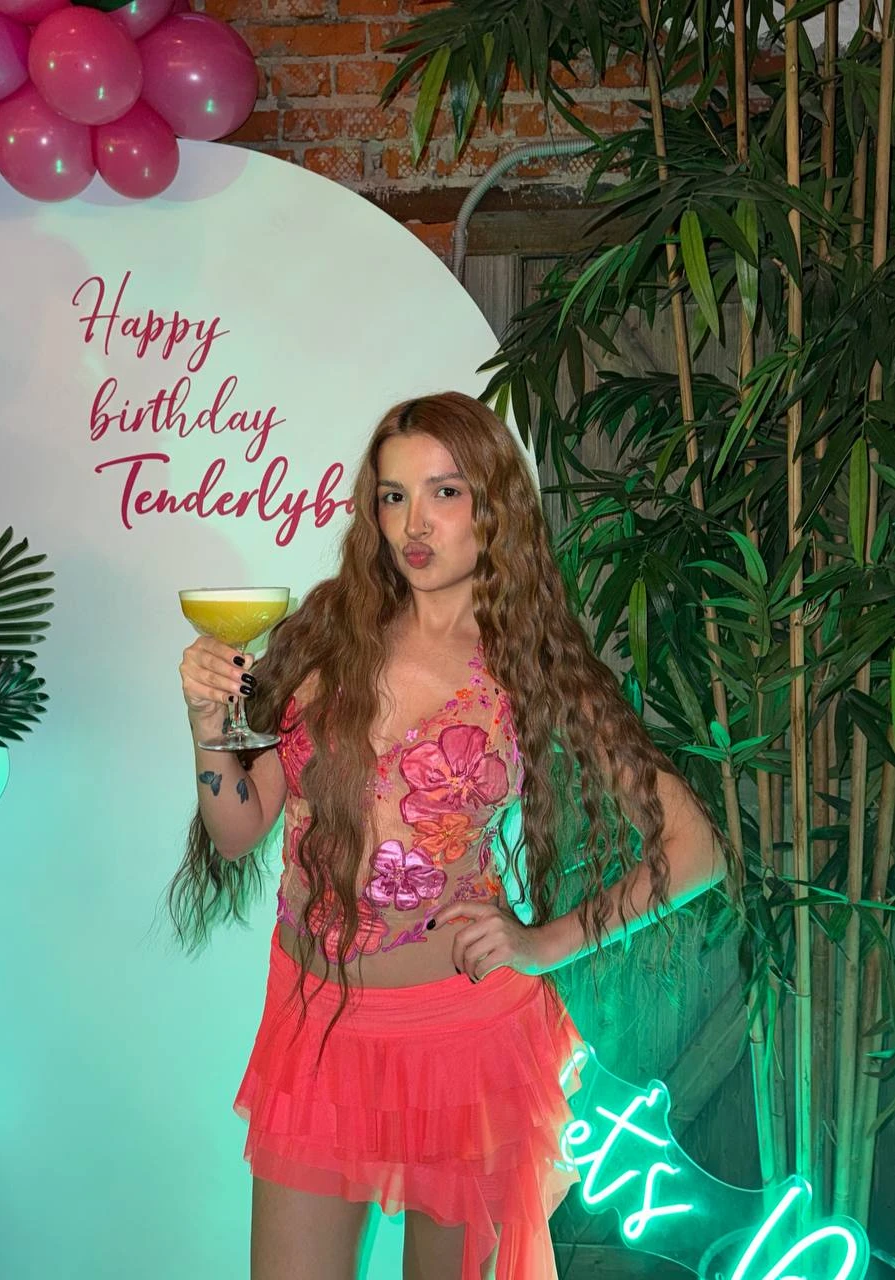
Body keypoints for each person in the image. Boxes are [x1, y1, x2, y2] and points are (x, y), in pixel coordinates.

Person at [169, 392, 731, 1280]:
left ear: (492, 504)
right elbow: (238, 830)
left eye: (444, 492)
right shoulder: (326, 633)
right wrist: (208, 722)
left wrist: (544, 943)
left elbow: (694, 849)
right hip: (314, 1031)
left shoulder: (527, 664)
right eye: (393, 496)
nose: (413, 524)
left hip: (464, 1049)